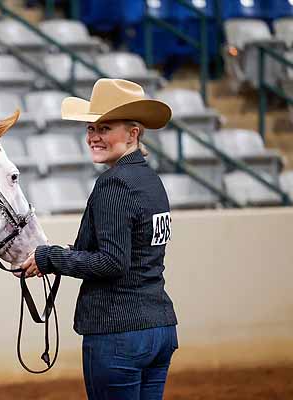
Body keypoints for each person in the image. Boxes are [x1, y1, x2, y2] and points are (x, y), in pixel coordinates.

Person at [20, 78, 178, 400]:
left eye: (104, 128)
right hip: (158, 326)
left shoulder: (114, 185)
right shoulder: (150, 181)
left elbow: (111, 262)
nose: (93, 137)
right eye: (91, 128)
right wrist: (54, 256)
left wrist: (49, 258)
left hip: (118, 331)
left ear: (133, 133)